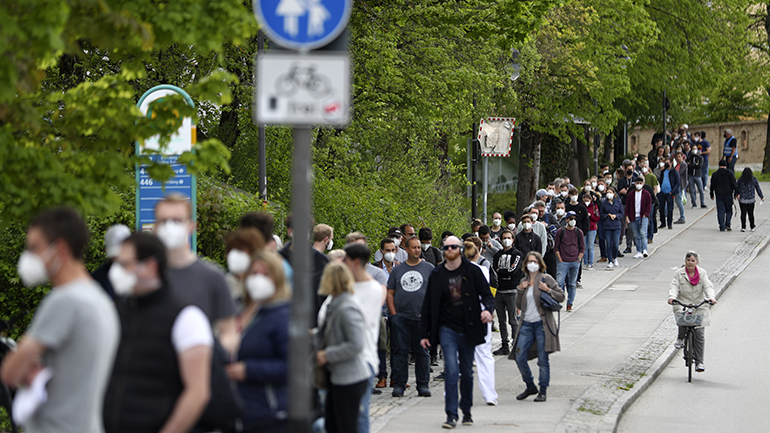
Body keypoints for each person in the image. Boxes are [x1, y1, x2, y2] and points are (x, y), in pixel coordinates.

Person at [1, 208, 119, 433]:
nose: (28, 256)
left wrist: (26, 368)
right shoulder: (100, 300)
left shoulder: (64, 301)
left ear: (60, 249)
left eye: (35, 248)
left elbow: (10, 372)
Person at [103, 233, 213, 433]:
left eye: (125, 264)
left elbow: (197, 392)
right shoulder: (115, 313)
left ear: (150, 266)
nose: (116, 272)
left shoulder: (186, 317)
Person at [419, 236, 494, 428]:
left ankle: (466, 410)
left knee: (467, 372)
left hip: (469, 327)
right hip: (447, 328)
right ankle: (451, 415)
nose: (450, 249)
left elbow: (487, 295)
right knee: (452, 370)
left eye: (454, 247)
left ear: (461, 249)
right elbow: (428, 305)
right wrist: (424, 334)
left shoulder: (473, 271)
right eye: (446, 247)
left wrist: (487, 310)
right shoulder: (437, 274)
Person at [154, 194, 239, 353]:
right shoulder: (144, 276)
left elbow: (229, 333)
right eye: (164, 221)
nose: (170, 226)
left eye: (177, 220)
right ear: (155, 227)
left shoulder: (212, 277)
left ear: (191, 226)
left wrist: (209, 360)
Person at [317, 243, 385, 433]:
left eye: (345, 261)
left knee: (355, 418)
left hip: (362, 360)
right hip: (339, 364)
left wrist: (327, 354)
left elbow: (360, 332)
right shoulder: (344, 292)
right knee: (334, 419)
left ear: (355, 262)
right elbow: (324, 318)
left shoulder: (372, 290)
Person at [224, 251, 290, 433]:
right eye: (254, 273)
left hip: (268, 414)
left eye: (265, 274)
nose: (258, 279)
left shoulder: (282, 316)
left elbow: (291, 366)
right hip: (236, 411)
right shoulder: (241, 311)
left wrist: (248, 370)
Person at [316, 262, 370, 433]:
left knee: (345, 426)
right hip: (339, 376)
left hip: (349, 378)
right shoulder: (336, 302)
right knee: (333, 424)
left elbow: (356, 344)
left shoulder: (347, 307)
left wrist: (327, 355)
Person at [508, 251, 564, 403]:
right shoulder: (524, 281)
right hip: (526, 324)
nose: (532, 264)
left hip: (542, 324)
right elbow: (519, 305)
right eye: (529, 261)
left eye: (535, 261)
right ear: (525, 264)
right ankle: (530, 385)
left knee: (543, 360)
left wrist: (548, 290)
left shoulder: (546, 279)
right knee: (519, 357)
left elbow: (561, 296)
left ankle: (543, 390)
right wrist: (520, 290)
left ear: (540, 264)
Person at [387, 237, 433, 398]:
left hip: (422, 319)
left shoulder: (428, 268)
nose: (417, 250)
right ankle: (399, 385)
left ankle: (423, 385)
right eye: (413, 247)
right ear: (406, 249)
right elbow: (390, 293)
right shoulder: (398, 270)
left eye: (419, 247)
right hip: (401, 318)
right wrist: (394, 315)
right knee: (400, 352)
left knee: (422, 352)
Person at [668, 252, 717, 372]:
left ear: (697, 262)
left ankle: (699, 362)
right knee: (683, 319)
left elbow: (707, 286)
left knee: (699, 334)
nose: (690, 262)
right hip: (683, 302)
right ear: (685, 261)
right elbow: (674, 286)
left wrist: (711, 297)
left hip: (698, 305)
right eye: (688, 260)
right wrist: (672, 297)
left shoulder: (702, 273)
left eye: (693, 260)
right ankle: (680, 338)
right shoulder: (679, 273)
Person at [462, 242, 498, 406]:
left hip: (475, 315)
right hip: (473, 315)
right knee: (483, 355)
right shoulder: (480, 270)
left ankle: (489, 394)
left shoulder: (479, 271)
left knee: (461, 355)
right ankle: (489, 394)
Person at [492, 229, 523, 356]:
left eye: (508, 237)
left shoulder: (517, 254)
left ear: (513, 239)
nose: (506, 240)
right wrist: (502, 271)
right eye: (504, 237)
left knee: (513, 320)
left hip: (512, 290)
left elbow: (513, 270)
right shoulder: (497, 255)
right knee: (501, 320)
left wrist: (502, 271)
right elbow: (494, 270)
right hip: (500, 291)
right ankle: (504, 344)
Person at [224, 228, 266, 306]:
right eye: (231, 249)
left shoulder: (266, 284)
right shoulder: (224, 284)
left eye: (240, 250)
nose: (234, 254)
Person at [554, 211, 584, 312]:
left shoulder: (578, 232)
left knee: (572, 284)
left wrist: (579, 259)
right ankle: (558, 300)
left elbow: (582, 247)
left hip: (575, 261)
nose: (573, 221)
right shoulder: (560, 231)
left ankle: (570, 303)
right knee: (559, 282)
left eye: (574, 219)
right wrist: (560, 259)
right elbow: (556, 247)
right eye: (571, 219)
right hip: (563, 261)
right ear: (566, 220)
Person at [91, 224, 131, 299]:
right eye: (113, 257)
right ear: (105, 249)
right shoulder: (96, 279)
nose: (117, 260)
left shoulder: (141, 276)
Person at [709, 159, 740, 231]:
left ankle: (721, 226)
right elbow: (734, 184)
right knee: (729, 210)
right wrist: (737, 192)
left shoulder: (715, 174)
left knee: (721, 211)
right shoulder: (730, 173)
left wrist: (711, 194)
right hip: (728, 195)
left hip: (719, 195)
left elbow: (712, 185)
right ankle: (728, 224)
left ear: (719, 165)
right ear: (726, 165)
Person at [625, 177, 652, 259]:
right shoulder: (630, 194)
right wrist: (627, 216)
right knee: (636, 235)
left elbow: (649, 205)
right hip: (633, 216)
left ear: (643, 184)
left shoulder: (647, 194)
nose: (639, 185)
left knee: (643, 233)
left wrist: (645, 214)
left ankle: (645, 250)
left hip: (643, 216)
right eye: (637, 183)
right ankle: (638, 251)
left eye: (640, 183)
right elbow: (628, 206)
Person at [600, 187, 624, 269]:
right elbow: (601, 214)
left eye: (611, 192)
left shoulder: (618, 202)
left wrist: (616, 216)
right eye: (608, 192)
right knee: (609, 243)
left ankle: (615, 257)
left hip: (616, 225)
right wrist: (607, 215)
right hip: (607, 226)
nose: (609, 194)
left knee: (615, 244)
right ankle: (610, 260)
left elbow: (622, 213)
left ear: (614, 193)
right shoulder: (604, 203)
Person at [736, 168, 764, 232]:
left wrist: (736, 194)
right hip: (751, 199)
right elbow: (758, 189)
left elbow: (737, 188)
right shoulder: (753, 180)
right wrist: (761, 197)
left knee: (743, 213)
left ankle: (743, 227)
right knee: (751, 213)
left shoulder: (740, 180)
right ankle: (752, 226)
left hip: (742, 200)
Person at [657, 158, 680, 230]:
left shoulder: (674, 172)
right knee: (661, 208)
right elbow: (660, 181)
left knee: (670, 209)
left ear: (671, 163)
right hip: (662, 192)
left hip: (670, 193)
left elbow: (677, 183)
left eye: (668, 162)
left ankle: (669, 223)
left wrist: (673, 191)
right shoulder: (663, 172)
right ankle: (663, 223)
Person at [582, 193, 599, 270]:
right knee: (584, 246)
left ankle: (590, 263)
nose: (586, 202)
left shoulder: (594, 207)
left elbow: (597, 218)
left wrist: (590, 216)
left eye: (588, 200)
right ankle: (585, 262)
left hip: (592, 228)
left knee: (590, 246)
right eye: (585, 200)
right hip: (584, 228)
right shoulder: (582, 207)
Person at [686, 144, 706, 209]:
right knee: (692, 190)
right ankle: (694, 203)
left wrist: (692, 165)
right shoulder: (689, 157)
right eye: (693, 149)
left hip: (698, 175)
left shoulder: (700, 158)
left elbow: (699, 166)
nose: (694, 150)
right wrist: (694, 165)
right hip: (691, 175)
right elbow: (687, 165)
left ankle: (702, 203)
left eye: (695, 149)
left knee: (701, 189)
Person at [673, 152, 688, 224]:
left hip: (680, 184)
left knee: (679, 201)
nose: (678, 158)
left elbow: (678, 174)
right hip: (677, 184)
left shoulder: (683, 165)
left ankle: (682, 217)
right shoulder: (677, 165)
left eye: (679, 157)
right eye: (677, 157)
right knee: (677, 200)